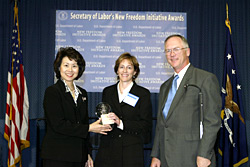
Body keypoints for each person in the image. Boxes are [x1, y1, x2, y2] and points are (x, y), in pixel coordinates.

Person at [150, 34, 221, 167]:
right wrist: (156, 155)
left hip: (193, 157)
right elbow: (161, 124)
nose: (172, 54)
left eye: (176, 49)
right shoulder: (165, 86)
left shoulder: (205, 79)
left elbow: (212, 121)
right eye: (168, 50)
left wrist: (204, 154)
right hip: (165, 159)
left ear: (187, 51)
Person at [41, 47, 112, 167]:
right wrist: (89, 128)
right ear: (59, 67)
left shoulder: (82, 93)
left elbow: (82, 123)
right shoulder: (52, 92)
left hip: (78, 156)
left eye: (74, 66)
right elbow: (58, 125)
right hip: (57, 156)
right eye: (66, 65)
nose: (70, 70)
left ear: (79, 69)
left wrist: (88, 153)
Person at [94, 52, 152, 167]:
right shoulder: (108, 91)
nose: (125, 71)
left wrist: (121, 123)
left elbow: (146, 125)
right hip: (108, 151)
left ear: (135, 72)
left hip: (131, 153)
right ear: (117, 70)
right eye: (122, 67)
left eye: (129, 67)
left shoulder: (143, 93)